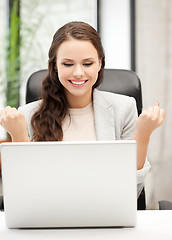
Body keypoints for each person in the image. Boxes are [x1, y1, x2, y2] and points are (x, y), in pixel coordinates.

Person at [0, 21, 165, 198]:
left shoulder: (123, 109)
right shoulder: (27, 115)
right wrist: (19, 137)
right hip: (48, 217)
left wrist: (142, 134)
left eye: (87, 64)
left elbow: (131, 192)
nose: (78, 73)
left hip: (105, 214)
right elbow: (23, 193)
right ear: (55, 65)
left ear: (100, 63)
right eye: (68, 64)